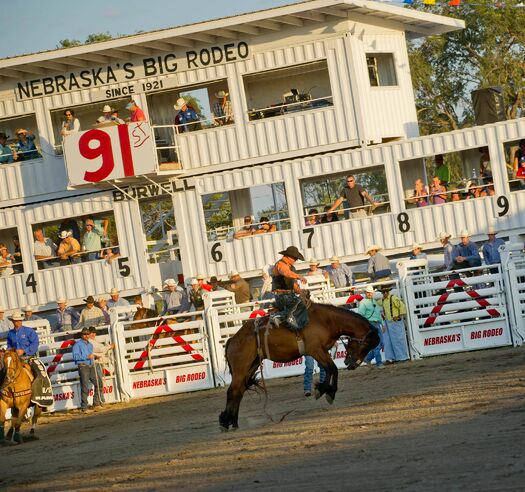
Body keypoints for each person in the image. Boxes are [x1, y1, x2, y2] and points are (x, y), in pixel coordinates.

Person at [270, 246, 308, 331]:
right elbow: (286, 273)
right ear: (289, 257)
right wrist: (299, 276)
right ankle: (278, 316)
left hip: (288, 294)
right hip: (282, 295)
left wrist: (300, 291)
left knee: (302, 304)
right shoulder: (280, 264)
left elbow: (291, 282)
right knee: (299, 305)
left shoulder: (289, 267)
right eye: (295, 258)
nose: (296, 260)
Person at [72, 327, 103, 412]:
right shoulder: (77, 345)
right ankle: (84, 407)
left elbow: (90, 355)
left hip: (91, 366)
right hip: (83, 367)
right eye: (84, 334)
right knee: (85, 387)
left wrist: (95, 357)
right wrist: (87, 356)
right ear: (81, 335)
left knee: (99, 383)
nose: (86, 336)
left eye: (87, 334)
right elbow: (75, 357)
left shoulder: (90, 345)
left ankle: (96, 403)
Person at [378, 286, 409, 363]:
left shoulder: (394, 298)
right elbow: (376, 304)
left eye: (386, 292)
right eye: (383, 292)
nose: (385, 293)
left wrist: (398, 316)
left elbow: (402, 307)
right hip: (388, 321)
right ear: (382, 293)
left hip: (395, 321)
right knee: (389, 340)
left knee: (398, 339)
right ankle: (392, 358)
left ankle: (402, 357)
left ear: (388, 292)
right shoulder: (382, 300)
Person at [358, 286, 384, 368]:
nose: (369, 294)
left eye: (371, 292)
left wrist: (382, 324)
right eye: (368, 292)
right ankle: (379, 363)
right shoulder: (363, 303)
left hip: (376, 324)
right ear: (366, 293)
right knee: (377, 344)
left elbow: (378, 314)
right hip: (370, 324)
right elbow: (361, 316)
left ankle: (367, 358)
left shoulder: (373, 301)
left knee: (382, 343)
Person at [89, 326, 115, 406]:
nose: (93, 334)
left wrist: (106, 348)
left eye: (94, 332)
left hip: (97, 363)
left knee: (99, 383)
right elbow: (100, 349)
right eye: (91, 333)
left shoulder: (94, 341)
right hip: (94, 364)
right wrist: (109, 347)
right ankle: (98, 402)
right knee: (99, 383)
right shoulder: (90, 342)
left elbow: (100, 349)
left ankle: (100, 401)